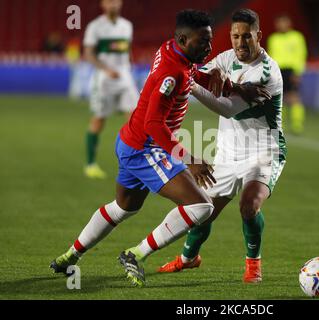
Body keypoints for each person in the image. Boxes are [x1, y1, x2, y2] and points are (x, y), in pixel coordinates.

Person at [50, 10, 219, 288]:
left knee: (123, 208)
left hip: (130, 141)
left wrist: (206, 78)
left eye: (209, 41)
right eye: (203, 42)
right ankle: (135, 254)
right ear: (183, 39)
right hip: (146, 147)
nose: (209, 48)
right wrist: (188, 159)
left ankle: (71, 254)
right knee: (201, 206)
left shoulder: (172, 49)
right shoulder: (172, 72)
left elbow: (188, 71)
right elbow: (154, 123)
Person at [158, 9, 286, 283]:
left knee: (249, 205)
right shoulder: (226, 58)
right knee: (202, 210)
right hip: (228, 152)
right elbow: (200, 71)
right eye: (235, 36)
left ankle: (253, 264)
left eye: (247, 37)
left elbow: (226, 108)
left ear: (259, 36)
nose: (240, 43)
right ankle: (188, 259)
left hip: (263, 151)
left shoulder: (266, 72)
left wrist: (189, 81)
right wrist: (205, 72)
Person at [83, 0, 140, 179]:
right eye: (109, 1)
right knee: (99, 119)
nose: (113, 4)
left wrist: (129, 68)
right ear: (102, 4)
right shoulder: (95, 26)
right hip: (104, 79)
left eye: (115, 1)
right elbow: (88, 53)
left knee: (135, 121)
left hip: (124, 77)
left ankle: (135, 165)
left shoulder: (127, 26)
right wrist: (105, 69)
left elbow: (126, 51)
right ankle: (90, 164)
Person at [267, 14, 307, 135]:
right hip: (277, 70)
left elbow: (301, 55)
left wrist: (298, 72)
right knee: (279, 99)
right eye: (279, 23)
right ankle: (280, 125)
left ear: (289, 24)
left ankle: (297, 125)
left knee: (294, 97)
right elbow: (270, 57)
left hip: (291, 70)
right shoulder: (273, 38)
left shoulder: (297, 37)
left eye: (284, 22)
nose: (281, 25)